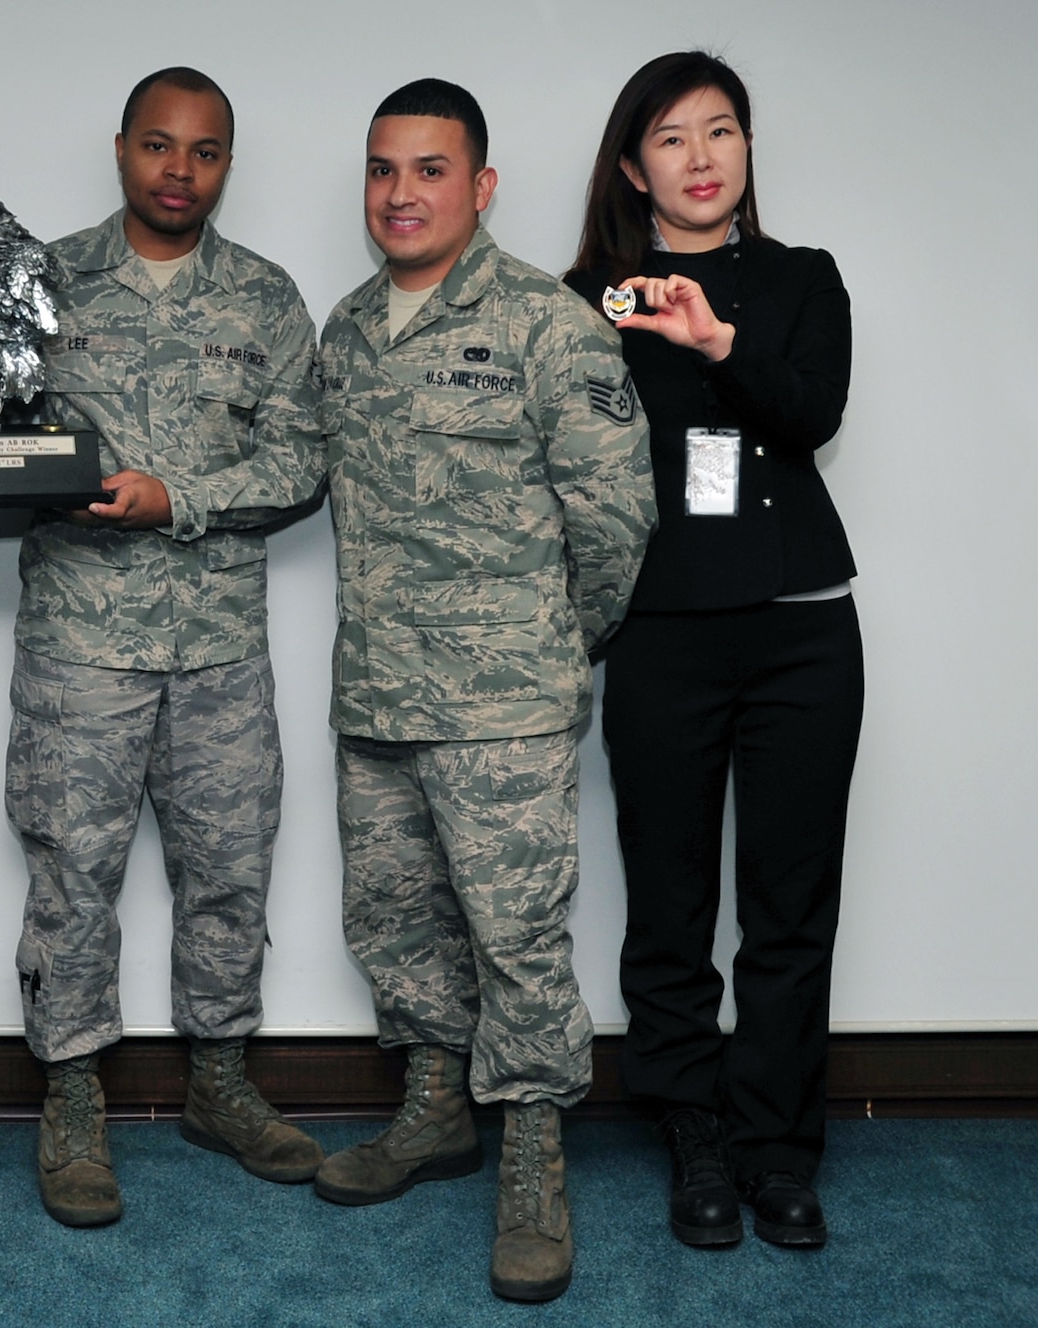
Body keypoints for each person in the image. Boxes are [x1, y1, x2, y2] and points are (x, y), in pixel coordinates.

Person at [0, 67, 327, 1228]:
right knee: (71, 878)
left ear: (223, 166)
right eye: (157, 145)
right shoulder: (38, 282)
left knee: (229, 871)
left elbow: (301, 462)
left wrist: (175, 497)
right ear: (120, 149)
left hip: (216, 651)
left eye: (201, 152)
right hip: (79, 649)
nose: (177, 170)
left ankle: (220, 1080)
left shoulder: (264, 297)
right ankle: (73, 1094)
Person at [313, 79, 655, 1302]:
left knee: (515, 938)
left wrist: (551, 652)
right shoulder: (346, 329)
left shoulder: (545, 326)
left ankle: (530, 1152)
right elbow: (285, 460)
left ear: (481, 185)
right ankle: (429, 1108)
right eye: (380, 170)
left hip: (503, 700)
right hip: (377, 699)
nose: (400, 194)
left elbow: (615, 518)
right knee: (395, 924)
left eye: (428, 170)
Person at [564, 50, 860, 1251]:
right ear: (633, 166)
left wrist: (718, 340)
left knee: (789, 903)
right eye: (672, 138)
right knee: (669, 898)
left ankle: (777, 1142)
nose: (699, 157)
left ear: (745, 151)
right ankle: (690, 1129)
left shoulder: (798, 280)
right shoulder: (585, 298)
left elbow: (810, 413)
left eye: (720, 131)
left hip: (799, 627)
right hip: (659, 632)